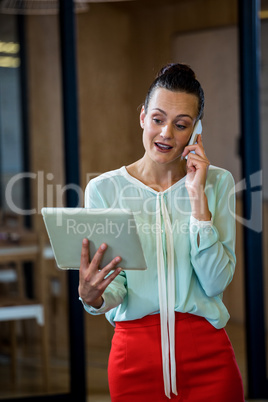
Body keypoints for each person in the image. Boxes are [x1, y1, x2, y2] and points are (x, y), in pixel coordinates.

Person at [78, 63, 244, 401]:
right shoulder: (104, 190)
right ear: (142, 117)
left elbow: (214, 282)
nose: (166, 133)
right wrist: (92, 297)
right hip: (135, 360)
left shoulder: (218, 183)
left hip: (208, 356)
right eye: (158, 119)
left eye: (180, 124)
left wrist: (198, 200)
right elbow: (114, 289)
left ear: (196, 130)